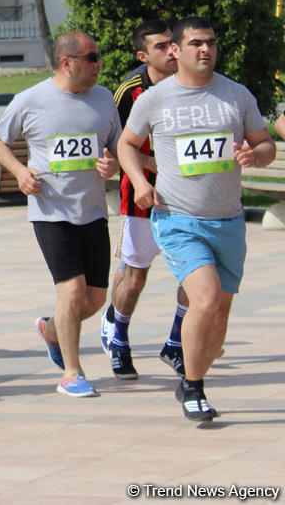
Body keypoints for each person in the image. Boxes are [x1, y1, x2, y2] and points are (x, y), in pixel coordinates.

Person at [119, 17, 273, 422]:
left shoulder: (236, 95)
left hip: (228, 220)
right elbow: (126, 144)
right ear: (177, 50)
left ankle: (194, 376)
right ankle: (193, 385)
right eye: (196, 43)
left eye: (211, 43)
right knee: (203, 298)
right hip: (177, 217)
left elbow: (266, 143)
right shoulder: (155, 98)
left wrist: (256, 155)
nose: (205, 50)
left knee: (220, 313)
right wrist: (138, 182)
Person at [0, 31, 121, 398]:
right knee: (73, 293)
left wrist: (112, 164)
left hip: (92, 212)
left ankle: (50, 330)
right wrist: (19, 171)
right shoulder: (31, 100)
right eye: (91, 58)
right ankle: (72, 374)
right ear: (68, 62)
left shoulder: (105, 98)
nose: (98, 64)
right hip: (51, 212)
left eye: (98, 56)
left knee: (93, 299)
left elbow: (117, 148)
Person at [100, 20, 188, 380]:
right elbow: (121, 146)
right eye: (161, 47)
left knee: (195, 272)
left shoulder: (194, 82)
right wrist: (149, 168)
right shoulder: (130, 92)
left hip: (190, 195)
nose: (171, 52)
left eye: (173, 44)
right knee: (135, 276)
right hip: (142, 192)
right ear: (142, 55)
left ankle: (177, 343)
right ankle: (118, 335)